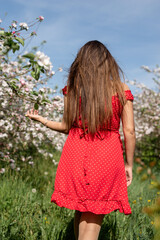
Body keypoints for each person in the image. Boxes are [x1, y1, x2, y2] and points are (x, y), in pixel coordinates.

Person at [25, 40, 136, 240]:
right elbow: (129, 131)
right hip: (106, 155)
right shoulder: (120, 89)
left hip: (75, 155)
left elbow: (66, 127)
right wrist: (129, 163)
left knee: (81, 210)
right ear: (108, 63)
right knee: (93, 214)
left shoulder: (73, 89)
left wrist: (43, 120)